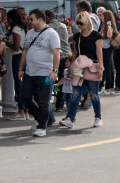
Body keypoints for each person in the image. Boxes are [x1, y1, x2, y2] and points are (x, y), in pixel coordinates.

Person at [20, 9, 61, 137]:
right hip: (29, 72)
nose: (29, 22)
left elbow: (56, 53)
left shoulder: (51, 34)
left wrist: (55, 71)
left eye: (31, 19)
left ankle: (42, 126)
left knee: (43, 101)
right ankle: (39, 117)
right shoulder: (30, 33)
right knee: (25, 97)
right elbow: (25, 51)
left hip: (45, 73)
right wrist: (21, 68)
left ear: (40, 19)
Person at [62, 8, 103, 129]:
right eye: (77, 23)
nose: (79, 26)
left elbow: (99, 52)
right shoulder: (77, 36)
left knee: (93, 94)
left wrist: (101, 66)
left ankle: (98, 117)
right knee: (75, 93)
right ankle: (70, 118)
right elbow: (75, 52)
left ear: (87, 22)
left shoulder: (96, 35)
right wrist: (71, 65)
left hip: (92, 66)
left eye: (81, 23)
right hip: (79, 66)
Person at [98, 7, 117, 92]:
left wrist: (109, 26)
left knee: (108, 68)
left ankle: (108, 88)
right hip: (103, 49)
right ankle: (109, 87)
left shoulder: (109, 27)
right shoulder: (102, 26)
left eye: (103, 16)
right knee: (107, 68)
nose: (101, 17)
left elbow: (109, 36)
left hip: (107, 49)